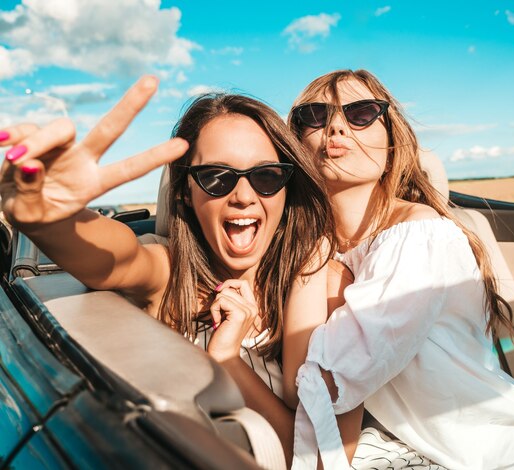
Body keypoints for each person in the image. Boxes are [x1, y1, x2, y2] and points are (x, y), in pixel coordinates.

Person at [0, 76, 367, 466]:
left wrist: (227, 361)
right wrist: (48, 220)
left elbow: (328, 459)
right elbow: (117, 258)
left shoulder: (330, 288)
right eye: (216, 178)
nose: (243, 196)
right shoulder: (170, 275)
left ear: (287, 188)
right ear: (184, 194)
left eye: (266, 176)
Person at [284, 69, 514, 469]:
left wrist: (313, 260)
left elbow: (319, 388)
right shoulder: (319, 249)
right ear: (296, 141)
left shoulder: (417, 237)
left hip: (511, 452)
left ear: (392, 141)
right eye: (316, 115)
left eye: (361, 113)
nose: (337, 126)